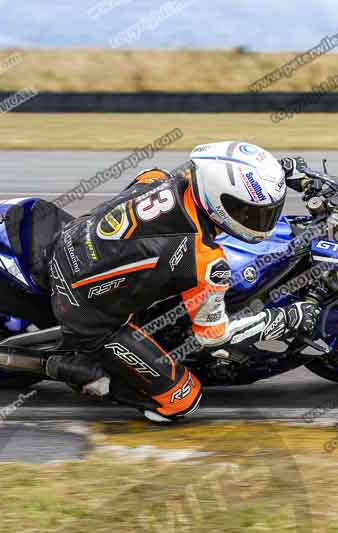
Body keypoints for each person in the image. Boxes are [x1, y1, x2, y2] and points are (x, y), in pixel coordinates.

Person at [45, 141, 319, 422]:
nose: (262, 221)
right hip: (88, 312)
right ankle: (71, 368)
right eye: (250, 212)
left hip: (70, 238)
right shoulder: (205, 260)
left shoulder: (162, 177)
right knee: (182, 400)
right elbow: (214, 337)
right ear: (219, 201)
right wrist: (280, 319)